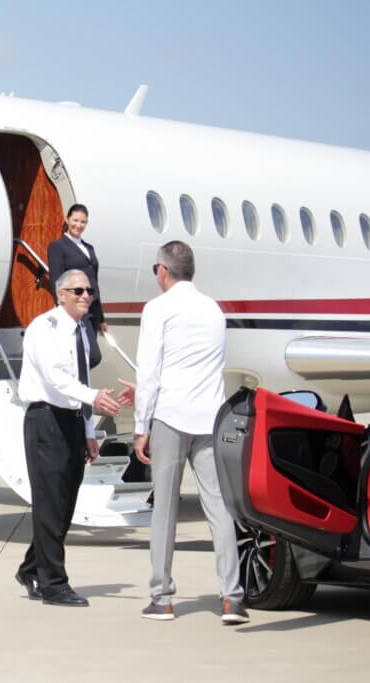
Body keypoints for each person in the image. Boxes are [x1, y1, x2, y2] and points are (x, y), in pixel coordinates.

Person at [125, 241, 249, 625]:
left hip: (170, 416)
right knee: (219, 508)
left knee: (165, 508)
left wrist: (140, 427)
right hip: (209, 418)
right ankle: (232, 598)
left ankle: (161, 597)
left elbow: (149, 373)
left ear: (164, 271)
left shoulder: (158, 309)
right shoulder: (213, 309)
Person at [15, 269, 133, 606]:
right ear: (60, 294)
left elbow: (78, 379)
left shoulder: (80, 330)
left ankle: (32, 566)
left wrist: (87, 430)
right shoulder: (45, 327)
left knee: (65, 503)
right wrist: (94, 396)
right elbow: (55, 379)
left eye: (89, 291)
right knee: (50, 501)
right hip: (46, 420)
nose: (85, 296)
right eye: (78, 290)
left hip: (70, 420)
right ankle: (53, 584)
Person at [47, 204, 107, 337]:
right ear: (67, 219)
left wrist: (101, 318)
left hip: (93, 309)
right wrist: (62, 309)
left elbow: (94, 282)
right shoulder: (58, 247)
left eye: (83, 222)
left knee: (90, 355)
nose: (78, 225)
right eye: (75, 220)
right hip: (75, 308)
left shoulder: (89, 248)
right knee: (87, 353)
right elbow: (56, 281)